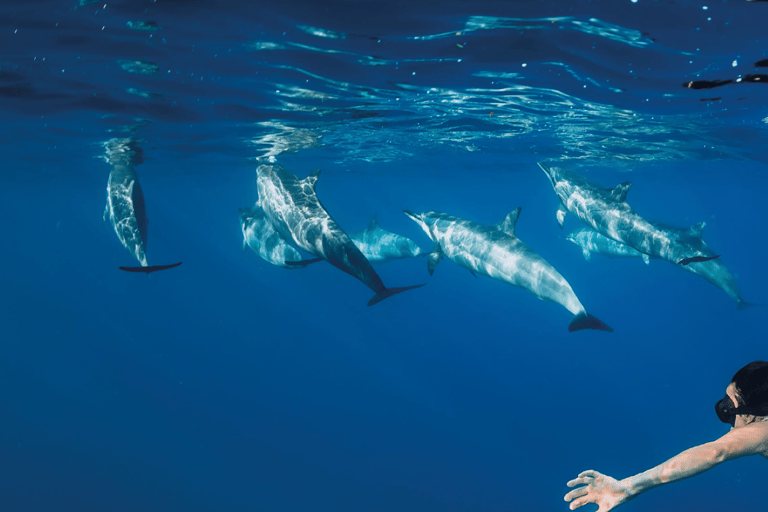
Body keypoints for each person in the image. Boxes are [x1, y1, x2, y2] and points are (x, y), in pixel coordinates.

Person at [564, 360, 768, 512]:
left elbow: (716, 452)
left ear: (751, 414)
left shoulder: (762, 431)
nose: (725, 412)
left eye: (729, 407)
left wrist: (626, 487)